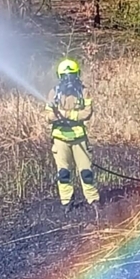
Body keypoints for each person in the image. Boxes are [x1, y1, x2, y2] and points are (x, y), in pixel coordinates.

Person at [46, 58, 100, 212]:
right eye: (65, 76)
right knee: (63, 173)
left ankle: (93, 200)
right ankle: (67, 203)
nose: (68, 80)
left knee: (86, 172)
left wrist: (68, 115)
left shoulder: (84, 92)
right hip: (60, 139)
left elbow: (87, 113)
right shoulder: (53, 93)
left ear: (77, 74)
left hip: (79, 139)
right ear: (59, 76)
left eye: (72, 75)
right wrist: (56, 115)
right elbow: (47, 115)